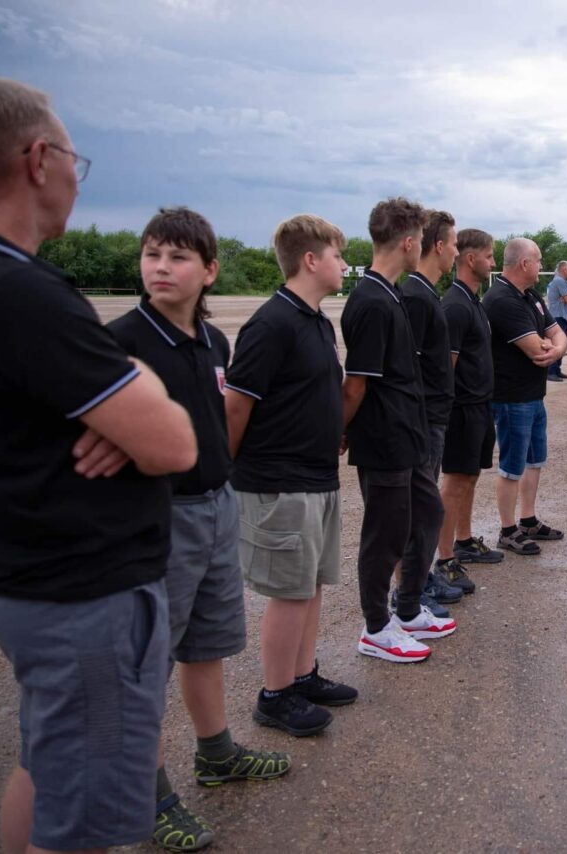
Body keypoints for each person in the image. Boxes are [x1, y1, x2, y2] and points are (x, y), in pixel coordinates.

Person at [0, 77, 197, 854]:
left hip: (21, 574)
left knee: (46, 768)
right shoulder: (19, 292)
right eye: (72, 161)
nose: (73, 181)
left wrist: (118, 401)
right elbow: (174, 443)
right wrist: (137, 390)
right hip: (82, 595)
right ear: (37, 160)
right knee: (80, 825)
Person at [108, 208, 291, 852]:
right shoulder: (121, 343)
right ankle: (148, 795)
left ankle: (216, 754)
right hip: (158, 520)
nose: (161, 267)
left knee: (205, 645)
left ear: (209, 271)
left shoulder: (214, 341)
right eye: (152, 254)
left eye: (178, 256)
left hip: (217, 505)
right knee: (147, 663)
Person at [225, 214, 354, 736]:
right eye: (338, 255)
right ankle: (275, 694)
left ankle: (302, 677)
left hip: (316, 476)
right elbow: (236, 406)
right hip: (279, 480)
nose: (344, 264)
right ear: (311, 260)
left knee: (310, 583)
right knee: (290, 591)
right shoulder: (271, 323)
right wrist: (223, 474)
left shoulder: (316, 321)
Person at [341, 198, 454, 664]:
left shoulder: (390, 294)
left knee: (426, 514)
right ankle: (376, 627)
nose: (423, 247)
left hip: (407, 433)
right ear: (408, 242)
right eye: (421, 239)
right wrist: (339, 429)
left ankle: (407, 609)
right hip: (383, 438)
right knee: (383, 534)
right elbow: (356, 384)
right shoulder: (370, 300)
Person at [483, 237, 567, 554]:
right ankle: (507, 530)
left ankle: (528, 520)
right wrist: (550, 347)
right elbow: (536, 349)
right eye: (539, 260)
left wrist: (555, 348)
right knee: (512, 465)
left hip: (533, 395)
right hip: (511, 397)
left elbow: (557, 333)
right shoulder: (502, 299)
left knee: (534, 460)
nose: (541, 266)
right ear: (524, 263)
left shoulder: (529, 296)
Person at [401, 209, 467, 612]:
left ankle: (421, 578)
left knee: (424, 508)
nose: (456, 252)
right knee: (417, 509)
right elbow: (407, 368)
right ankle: (409, 589)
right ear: (438, 246)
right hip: (422, 421)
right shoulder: (414, 296)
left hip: (435, 418)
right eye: (454, 244)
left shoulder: (427, 294)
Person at [441, 228, 505, 575]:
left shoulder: (472, 301)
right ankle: (444, 557)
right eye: (489, 256)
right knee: (455, 482)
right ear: (470, 258)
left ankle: (463, 541)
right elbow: (445, 368)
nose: (493, 263)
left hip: (480, 405)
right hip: (461, 409)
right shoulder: (454, 305)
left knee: (470, 477)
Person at [545, 260, 567, 381]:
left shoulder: (562, 281)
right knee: (558, 344)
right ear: (564, 269)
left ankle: (556, 370)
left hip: (562, 316)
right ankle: (551, 371)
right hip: (559, 316)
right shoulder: (559, 281)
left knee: (562, 344)